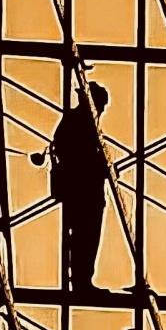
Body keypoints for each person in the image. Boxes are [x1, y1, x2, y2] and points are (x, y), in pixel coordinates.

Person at [45, 76, 111, 297]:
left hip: (84, 191)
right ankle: (82, 281)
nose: (101, 112)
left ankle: (82, 280)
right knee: (85, 237)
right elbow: (75, 156)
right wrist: (99, 166)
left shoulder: (76, 122)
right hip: (83, 192)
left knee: (84, 238)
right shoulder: (78, 123)